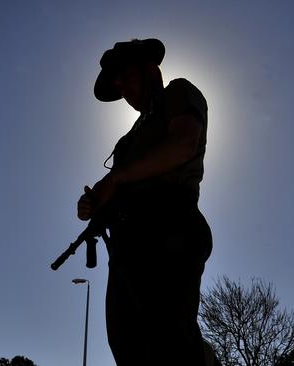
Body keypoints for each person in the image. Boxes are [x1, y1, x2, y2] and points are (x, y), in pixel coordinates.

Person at [77, 38, 219, 366]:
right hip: (128, 243)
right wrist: (93, 203)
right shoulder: (127, 139)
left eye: (125, 77)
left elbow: (183, 144)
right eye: (117, 85)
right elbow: (114, 188)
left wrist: (115, 179)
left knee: (168, 341)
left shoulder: (178, 93)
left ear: (150, 69)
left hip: (171, 227)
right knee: (127, 344)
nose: (122, 89)